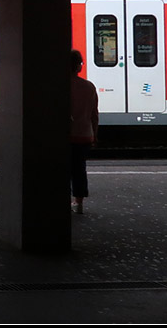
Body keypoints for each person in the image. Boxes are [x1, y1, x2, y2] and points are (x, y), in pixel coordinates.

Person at [69, 49, 99, 214]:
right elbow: (94, 115)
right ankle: (78, 202)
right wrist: (95, 134)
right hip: (84, 135)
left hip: (66, 136)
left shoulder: (58, 86)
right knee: (79, 169)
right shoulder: (89, 87)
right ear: (79, 66)